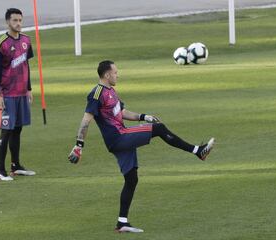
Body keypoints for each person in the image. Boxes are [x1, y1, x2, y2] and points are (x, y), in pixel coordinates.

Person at [68, 60, 215, 233]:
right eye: (115, 72)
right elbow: (86, 119)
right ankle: (197, 151)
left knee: (131, 179)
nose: (118, 75)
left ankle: (122, 222)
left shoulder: (111, 91)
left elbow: (122, 113)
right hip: (118, 138)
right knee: (159, 129)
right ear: (107, 75)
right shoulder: (97, 93)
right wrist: (79, 146)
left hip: (121, 137)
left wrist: (144, 116)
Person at [0, 8, 36, 181]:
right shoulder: (0, 43)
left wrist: (29, 89)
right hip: (7, 94)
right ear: (7, 22)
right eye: (15, 20)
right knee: (6, 131)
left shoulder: (26, 40)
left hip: (21, 93)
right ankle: (0, 171)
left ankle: (15, 166)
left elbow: (26, 65)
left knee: (17, 129)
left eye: (20, 20)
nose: (18, 23)